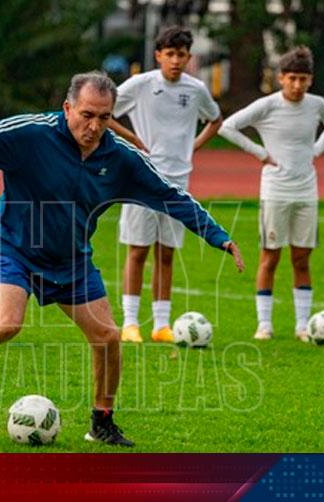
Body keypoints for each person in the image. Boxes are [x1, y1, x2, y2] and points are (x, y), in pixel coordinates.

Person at [0, 71, 244, 447]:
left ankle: (101, 422)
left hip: (70, 259)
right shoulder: (34, 134)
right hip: (14, 245)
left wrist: (219, 236)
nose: (95, 125)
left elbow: (171, 195)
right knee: (7, 322)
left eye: (104, 117)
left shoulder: (120, 158)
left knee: (108, 336)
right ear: (67, 108)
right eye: (86, 114)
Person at [107, 26, 223, 344]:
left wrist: (193, 147)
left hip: (178, 181)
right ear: (158, 55)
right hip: (140, 178)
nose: (175, 60)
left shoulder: (196, 89)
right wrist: (131, 138)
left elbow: (215, 119)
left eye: (181, 55)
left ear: (188, 57)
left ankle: (161, 325)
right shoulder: (141, 84)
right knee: (137, 250)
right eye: (169, 54)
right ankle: (130, 323)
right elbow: (106, 113)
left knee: (167, 253)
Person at [218, 46, 324, 342]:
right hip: (275, 191)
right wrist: (260, 153)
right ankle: (264, 324)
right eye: (291, 78)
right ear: (280, 78)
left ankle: (302, 326)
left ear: (310, 80)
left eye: (303, 79)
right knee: (269, 258)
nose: (297, 85)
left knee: (301, 259)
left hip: (306, 191)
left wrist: (316, 151)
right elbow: (227, 127)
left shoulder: (317, 104)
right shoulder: (268, 106)